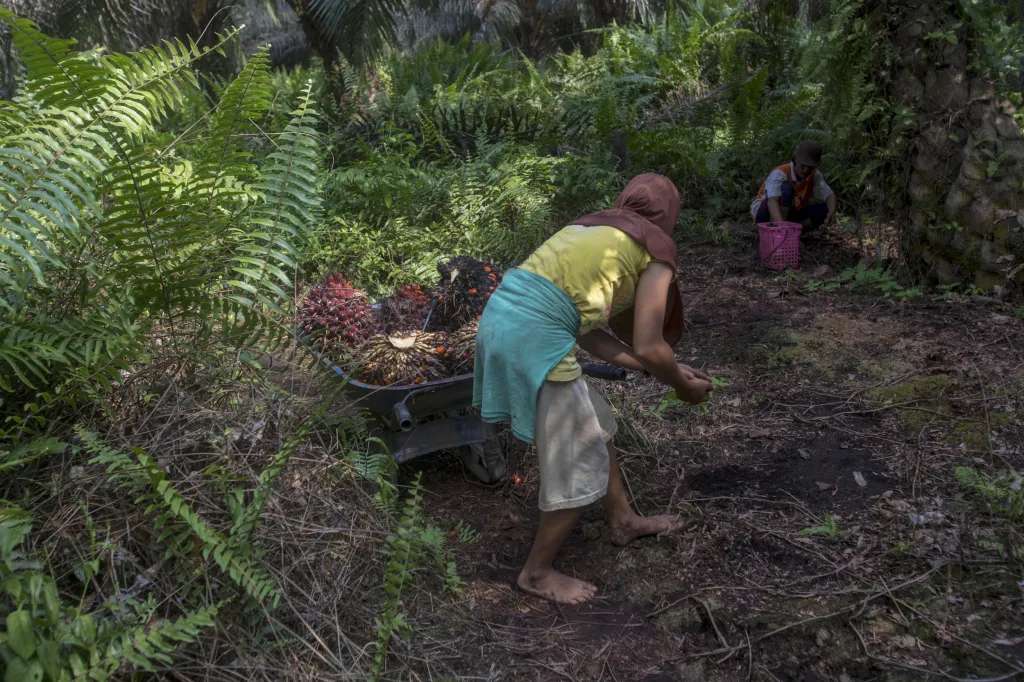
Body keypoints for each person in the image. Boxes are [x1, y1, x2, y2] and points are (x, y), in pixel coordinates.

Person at [473, 174, 714, 605]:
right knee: (578, 455)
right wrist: (680, 385)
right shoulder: (655, 247)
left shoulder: (588, 228)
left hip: (503, 319)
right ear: (668, 217)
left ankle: (622, 520)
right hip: (534, 334)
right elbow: (650, 342)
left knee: (596, 423)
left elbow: (583, 330)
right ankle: (536, 573)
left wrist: (659, 367)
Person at [751, 140, 837, 230]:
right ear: (796, 161)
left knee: (826, 209)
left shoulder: (814, 175)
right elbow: (772, 202)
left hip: (791, 212)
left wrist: (832, 211)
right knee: (786, 189)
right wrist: (782, 227)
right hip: (765, 213)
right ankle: (781, 231)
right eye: (803, 166)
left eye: (810, 167)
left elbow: (829, 195)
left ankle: (794, 230)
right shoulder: (780, 173)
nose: (806, 170)